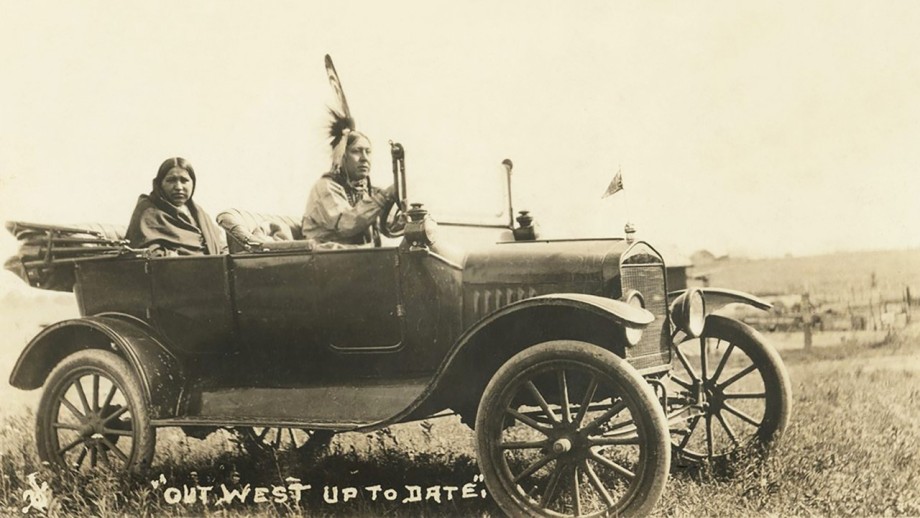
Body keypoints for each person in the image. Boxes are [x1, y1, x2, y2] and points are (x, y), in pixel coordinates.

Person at [301, 125, 396, 246]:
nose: (364, 158)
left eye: (368, 152)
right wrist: (384, 198)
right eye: (356, 151)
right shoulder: (325, 187)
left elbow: (388, 226)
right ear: (341, 156)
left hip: (356, 257)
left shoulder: (368, 191)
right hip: (328, 258)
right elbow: (345, 223)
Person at [126, 157, 225, 256]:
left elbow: (219, 247)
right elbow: (143, 250)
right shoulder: (147, 210)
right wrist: (168, 255)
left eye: (184, 180)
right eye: (171, 180)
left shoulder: (200, 214)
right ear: (160, 184)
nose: (178, 187)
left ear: (193, 183)